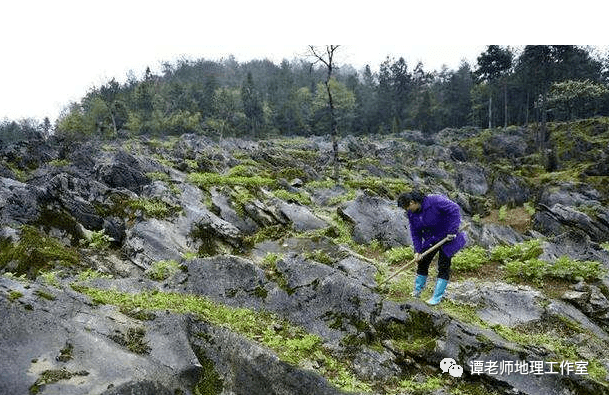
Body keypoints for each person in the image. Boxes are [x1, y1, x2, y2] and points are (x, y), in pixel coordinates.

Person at [397, 190, 467, 305]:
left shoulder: (435, 200)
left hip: (449, 237)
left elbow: (454, 209)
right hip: (433, 238)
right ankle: (418, 291)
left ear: (412, 202)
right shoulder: (411, 213)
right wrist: (418, 251)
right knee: (422, 261)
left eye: (407, 207)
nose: (407, 211)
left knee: (443, 265)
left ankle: (436, 298)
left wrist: (452, 230)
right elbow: (415, 232)